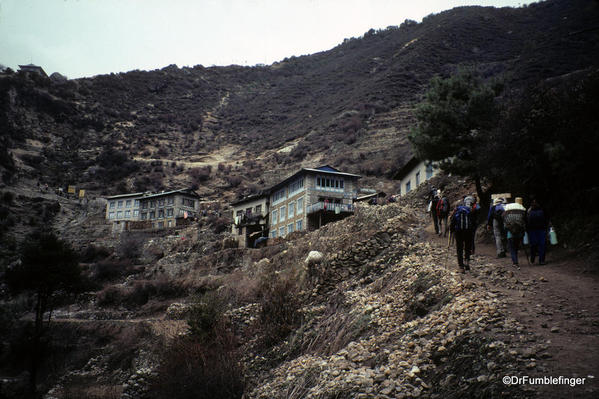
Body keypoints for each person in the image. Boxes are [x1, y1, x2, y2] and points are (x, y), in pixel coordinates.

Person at [450, 199, 475, 273]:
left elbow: (453, 222)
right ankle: (467, 262)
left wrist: (451, 230)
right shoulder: (468, 211)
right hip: (468, 232)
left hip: (459, 232)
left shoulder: (457, 211)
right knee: (467, 247)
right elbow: (473, 222)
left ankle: (461, 266)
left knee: (459, 248)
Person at [503, 197, 527, 266]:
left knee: (512, 248)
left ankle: (515, 262)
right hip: (519, 234)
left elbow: (505, 225)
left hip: (510, 234)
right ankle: (515, 260)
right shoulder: (521, 211)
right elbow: (524, 222)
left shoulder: (507, 212)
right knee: (516, 247)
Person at [527, 200, 549, 265]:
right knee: (542, 245)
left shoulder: (529, 211)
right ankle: (541, 260)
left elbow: (527, 222)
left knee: (533, 245)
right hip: (541, 230)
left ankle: (533, 258)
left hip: (532, 230)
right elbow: (546, 220)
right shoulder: (543, 211)